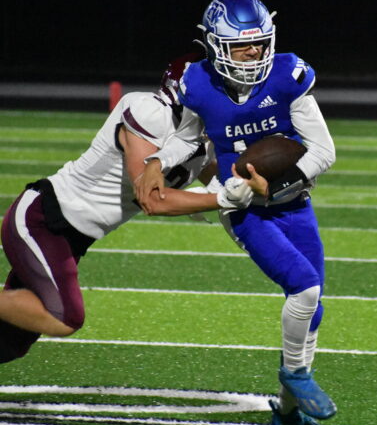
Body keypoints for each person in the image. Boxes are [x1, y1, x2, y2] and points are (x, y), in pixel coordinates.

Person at [137, 0, 338, 425]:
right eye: (240, 44)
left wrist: (280, 184)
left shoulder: (287, 74)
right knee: (303, 288)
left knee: (313, 305)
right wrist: (156, 161)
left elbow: (324, 150)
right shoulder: (198, 83)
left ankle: (286, 414)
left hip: (293, 200)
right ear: (215, 45)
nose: (253, 52)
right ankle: (296, 375)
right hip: (242, 205)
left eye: (259, 42)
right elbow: (189, 139)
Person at [0, 48, 266, 364]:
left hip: (71, 237)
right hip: (44, 219)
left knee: (8, 343)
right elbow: (151, 198)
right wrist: (223, 198)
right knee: (64, 316)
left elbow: (221, 186)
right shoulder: (150, 112)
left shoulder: (202, 140)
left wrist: (259, 203)